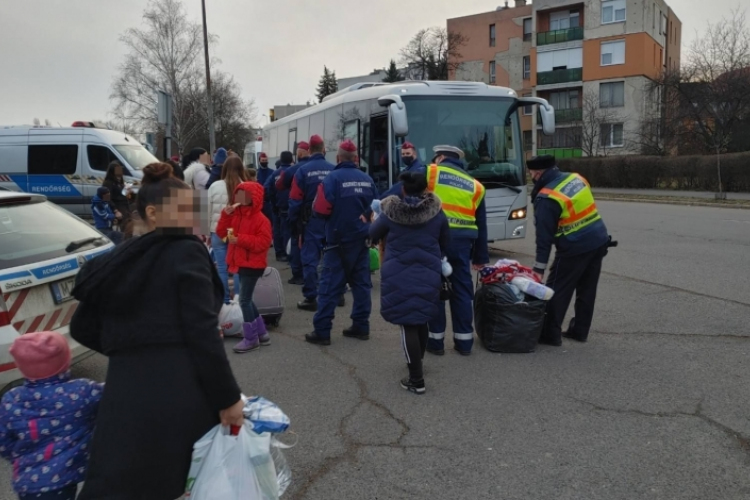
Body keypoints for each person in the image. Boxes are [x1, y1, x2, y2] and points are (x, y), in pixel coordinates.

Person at [70, 162, 244, 499]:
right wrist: (228, 399)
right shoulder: (185, 251)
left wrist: (130, 348)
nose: (193, 217)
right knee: (176, 483)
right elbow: (202, 333)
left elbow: (82, 326)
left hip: (124, 397)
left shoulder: (117, 260)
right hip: (178, 393)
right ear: (153, 212)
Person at [370, 172, 450, 394]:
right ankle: (418, 361)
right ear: (426, 189)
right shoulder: (437, 213)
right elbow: (445, 241)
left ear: (403, 190)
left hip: (399, 273)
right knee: (421, 318)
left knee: (407, 323)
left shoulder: (390, 213)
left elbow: (372, 233)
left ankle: (416, 379)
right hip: (428, 271)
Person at [0, 331, 104, 500]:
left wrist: (20, 456)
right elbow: (115, 391)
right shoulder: (82, 391)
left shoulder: (11, 399)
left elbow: (3, 441)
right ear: (65, 360)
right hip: (62, 480)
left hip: (26, 483)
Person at [528, 154, 610, 346]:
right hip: (599, 239)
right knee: (587, 290)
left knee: (556, 289)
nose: (531, 176)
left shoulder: (547, 197)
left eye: (531, 173)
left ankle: (550, 334)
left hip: (575, 246)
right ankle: (580, 331)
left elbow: (544, 239)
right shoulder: (576, 178)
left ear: (538, 173)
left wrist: (538, 270)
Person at [305, 140, 378, 346]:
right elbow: (376, 208)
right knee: (362, 285)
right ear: (355, 159)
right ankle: (361, 326)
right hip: (362, 240)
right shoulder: (368, 180)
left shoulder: (332, 180)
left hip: (338, 241)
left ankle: (322, 330)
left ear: (337, 158)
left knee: (329, 286)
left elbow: (320, 210)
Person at [425, 145, 489, 356]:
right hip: (463, 243)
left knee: (435, 288)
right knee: (462, 289)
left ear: (441, 157)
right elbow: (481, 223)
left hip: (435, 239)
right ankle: (464, 343)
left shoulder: (431, 172)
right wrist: (481, 256)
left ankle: (435, 342)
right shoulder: (476, 185)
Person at [216, 181, 273, 353]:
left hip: (252, 263)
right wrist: (225, 215)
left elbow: (264, 243)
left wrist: (239, 239)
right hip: (242, 261)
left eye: (243, 194)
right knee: (247, 298)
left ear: (253, 198)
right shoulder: (236, 215)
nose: (239, 197)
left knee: (244, 300)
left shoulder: (261, 220)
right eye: (238, 193)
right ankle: (261, 333)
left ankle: (251, 338)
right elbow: (222, 234)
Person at [289, 135, 336, 310]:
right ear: (324, 150)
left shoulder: (302, 171)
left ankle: (311, 296)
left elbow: (294, 199)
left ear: (309, 151)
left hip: (310, 221)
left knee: (310, 259)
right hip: (331, 220)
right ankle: (335, 293)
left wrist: (293, 223)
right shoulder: (334, 170)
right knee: (332, 256)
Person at [208, 156, 249, 304]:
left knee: (221, 268)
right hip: (236, 232)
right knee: (237, 267)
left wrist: (208, 232)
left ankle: (224, 300)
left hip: (218, 230)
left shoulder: (214, 186)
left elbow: (207, 211)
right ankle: (239, 300)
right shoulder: (245, 187)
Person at [277, 142, 310, 284]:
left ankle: (298, 274)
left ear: (300, 153)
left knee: (297, 241)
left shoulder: (294, 170)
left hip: (300, 213)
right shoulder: (329, 168)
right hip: (320, 214)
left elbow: (278, 185)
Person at [265, 151, 294, 262]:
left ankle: (280, 253)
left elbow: (268, 189)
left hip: (278, 206)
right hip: (292, 206)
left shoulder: (275, 174)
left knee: (277, 230)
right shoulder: (295, 172)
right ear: (291, 159)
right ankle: (289, 253)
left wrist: (273, 204)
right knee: (290, 231)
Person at [103, 161, 133, 238]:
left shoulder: (120, 182)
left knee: (129, 227)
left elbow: (124, 195)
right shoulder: (108, 183)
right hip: (118, 208)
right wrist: (115, 210)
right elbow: (107, 199)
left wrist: (129, 193)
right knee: (124, 229)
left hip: (125, 208)